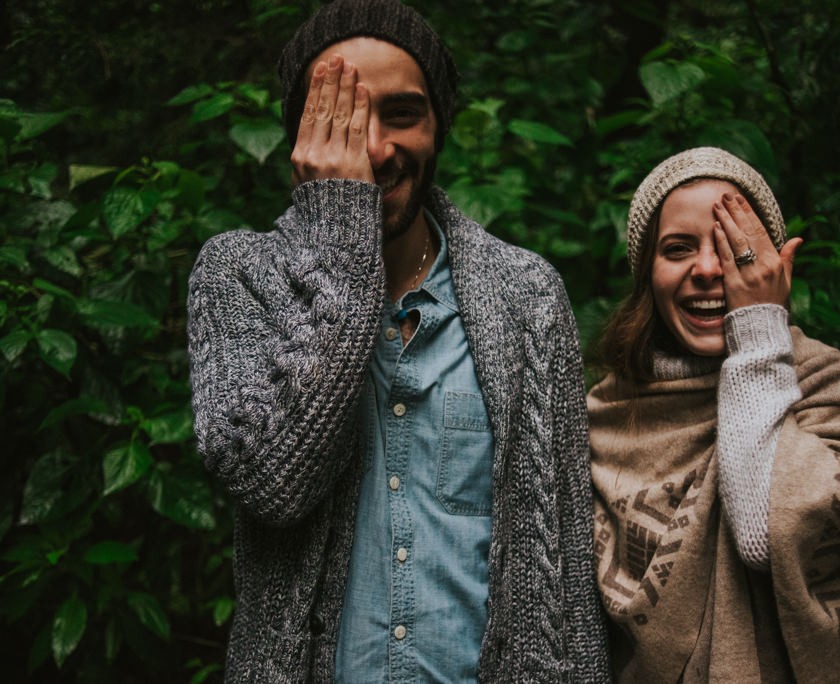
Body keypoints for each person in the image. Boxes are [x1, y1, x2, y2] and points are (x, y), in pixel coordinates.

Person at [187, 0, 609, 680]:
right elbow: (271, 484)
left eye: (402, 114)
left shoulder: (527, 295)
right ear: (299, 134)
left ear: (439, 127)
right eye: (342, 116)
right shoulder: (238, 275)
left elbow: (561, 568)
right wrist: (342, 238)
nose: (374, 147)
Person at [588, 147, 840, 682]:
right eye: (677, 249)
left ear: (773, 266)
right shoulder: (608, 414)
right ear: (647, 273)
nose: (706, 269)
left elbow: (764, 537)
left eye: (733, 248)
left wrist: (759, 335)